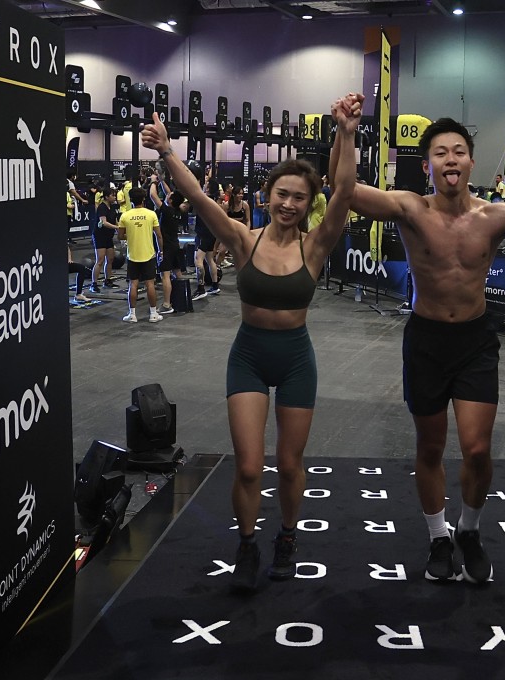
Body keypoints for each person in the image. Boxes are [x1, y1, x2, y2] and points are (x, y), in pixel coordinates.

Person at [331, 119, 505, 585]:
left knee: (478, 449)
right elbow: (343, 190)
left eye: (458, 151)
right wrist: (345, 134)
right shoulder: (409, 208)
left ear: (470, 162)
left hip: (474, 342)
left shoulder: (496, 216)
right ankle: (438, 539)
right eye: (441, 152)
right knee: (430, 446)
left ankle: (468, 529)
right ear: (429, 164)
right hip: (426, 340)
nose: (450, 159)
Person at [141, 91, 362, 592]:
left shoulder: (316, 244)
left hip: (296, 360)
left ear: (309, 203)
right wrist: (168, 151)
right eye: (281, 194)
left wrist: (346, 134)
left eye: (299, 197)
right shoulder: (245, 239)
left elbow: (346, 191)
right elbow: (197, 196)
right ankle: (246, 542)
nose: (288, 204)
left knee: (288, 464)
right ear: (268, 195)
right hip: (248, 356)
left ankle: (286, 536)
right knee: (246, 466)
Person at [117, 187, 164, 323]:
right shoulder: (151, 214)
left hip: (133, 256)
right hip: (148, 255)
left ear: (130, 200)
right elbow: (159, 236)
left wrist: (131, 234)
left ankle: (132, 315)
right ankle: (153, 314)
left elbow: (120, 236)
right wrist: (161, 250)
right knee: (150, 284)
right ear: (143, 199)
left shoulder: (125, 216)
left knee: (133, 284)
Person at [152, 188, 190, 315]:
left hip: (167, 247)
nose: (168, 195)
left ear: (171, 200)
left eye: (170, 195)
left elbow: (152, 195)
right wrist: (162, 180)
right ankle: (181, 300)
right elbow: (171, 194)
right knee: (177, 273)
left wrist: (153, 181)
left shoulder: (167, 210)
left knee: (165, 276)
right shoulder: (178, 211)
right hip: (175, 245)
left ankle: (167, 304)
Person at [91, 187, 120, 293]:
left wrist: (119, 230)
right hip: (100, 236)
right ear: (107, 197)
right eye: (113, 195)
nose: (115, 197)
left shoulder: (112, 207)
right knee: (100, 260)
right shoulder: (102, 207)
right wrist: (117, 228)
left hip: (108, 236)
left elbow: (115, 220)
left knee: (110, 259)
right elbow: (104, 222)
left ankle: (107, 280)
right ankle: (93, 284)